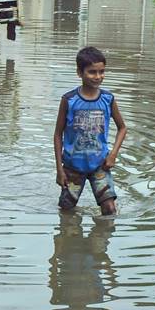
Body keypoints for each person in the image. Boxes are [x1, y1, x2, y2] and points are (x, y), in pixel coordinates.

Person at [54, 46, 127, 216]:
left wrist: (113, 154)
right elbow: (58, 135)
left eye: (102, 72)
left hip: (100, 164)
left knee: (109, 209)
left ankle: (101, 241)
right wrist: (59, 169)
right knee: (66, 210)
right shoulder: (69, 100)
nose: (98, 76)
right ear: (79, 73)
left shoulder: (108, 99)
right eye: (92, 72)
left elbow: (122, 128)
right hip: (73, 165)